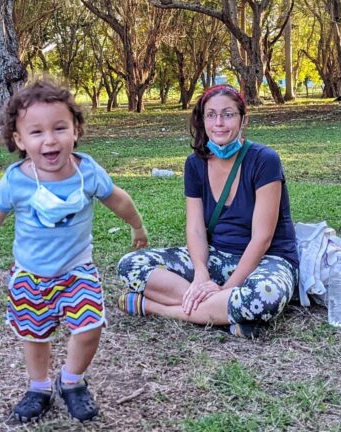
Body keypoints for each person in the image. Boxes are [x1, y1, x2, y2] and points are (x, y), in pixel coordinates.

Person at [0, 79, 148, 423]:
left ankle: (72, 382)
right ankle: (39, 387)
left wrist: (137, 225)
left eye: (60, 128)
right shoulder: (17, 180)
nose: (50, 139)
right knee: (34, 335)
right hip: (30, 275)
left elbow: (118, 199)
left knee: (90, 326)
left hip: (77, 271)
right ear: (19, 140)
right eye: (36, 132)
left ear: (75, 130)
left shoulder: (86, 171)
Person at [117, 84, 298, 337]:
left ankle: (154, 307)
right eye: (211, 115)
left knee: (262, 298)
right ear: (202, 121)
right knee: (131, 265)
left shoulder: (264, 160)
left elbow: (262, 238)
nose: (219, 123)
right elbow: (195, 228)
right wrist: (201, 275)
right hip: (216, 257)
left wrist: (226, 288)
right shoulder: (195, 164)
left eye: (228, 114)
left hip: (267, 259)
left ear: (243, 119)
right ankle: (225, 313)